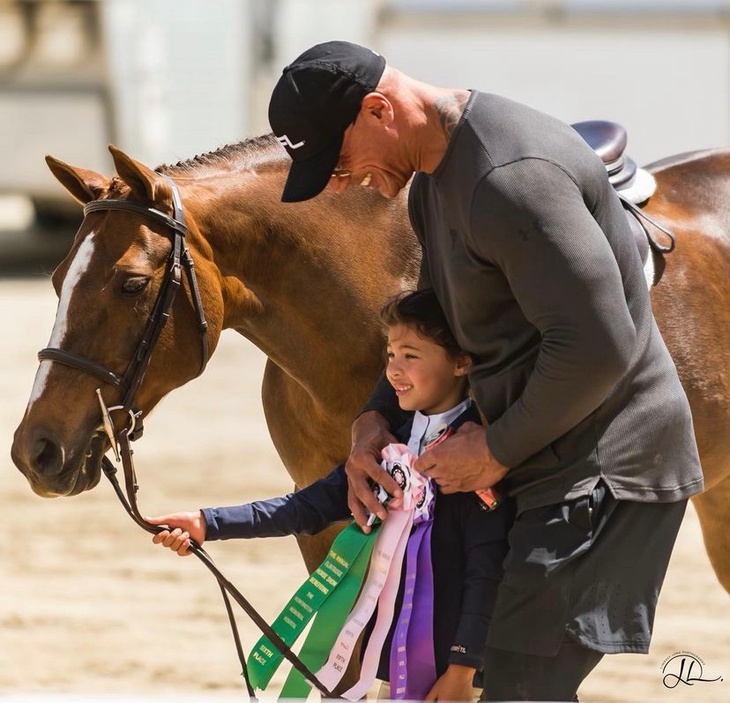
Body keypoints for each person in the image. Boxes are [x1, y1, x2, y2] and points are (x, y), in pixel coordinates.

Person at [265, 40, 704, 702]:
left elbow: (600, 344)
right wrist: (377, 416)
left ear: (380, 109)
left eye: (341, 157)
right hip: (546, 457)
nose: (345, 179)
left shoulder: (508, 177)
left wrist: (496, 446)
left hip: (608, 469)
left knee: (517, 683)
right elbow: (440, 327)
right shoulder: (434, 185)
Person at [149, 288, 515, 702]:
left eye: (411, 356)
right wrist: (206, 524)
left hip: (456, 669)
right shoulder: (388, 451)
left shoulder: (474, 462)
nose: (394, 370)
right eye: (390, 355)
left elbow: (485, 574)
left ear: (461, 362)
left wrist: (461, 671)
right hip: (396, 660)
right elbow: (305, 507)